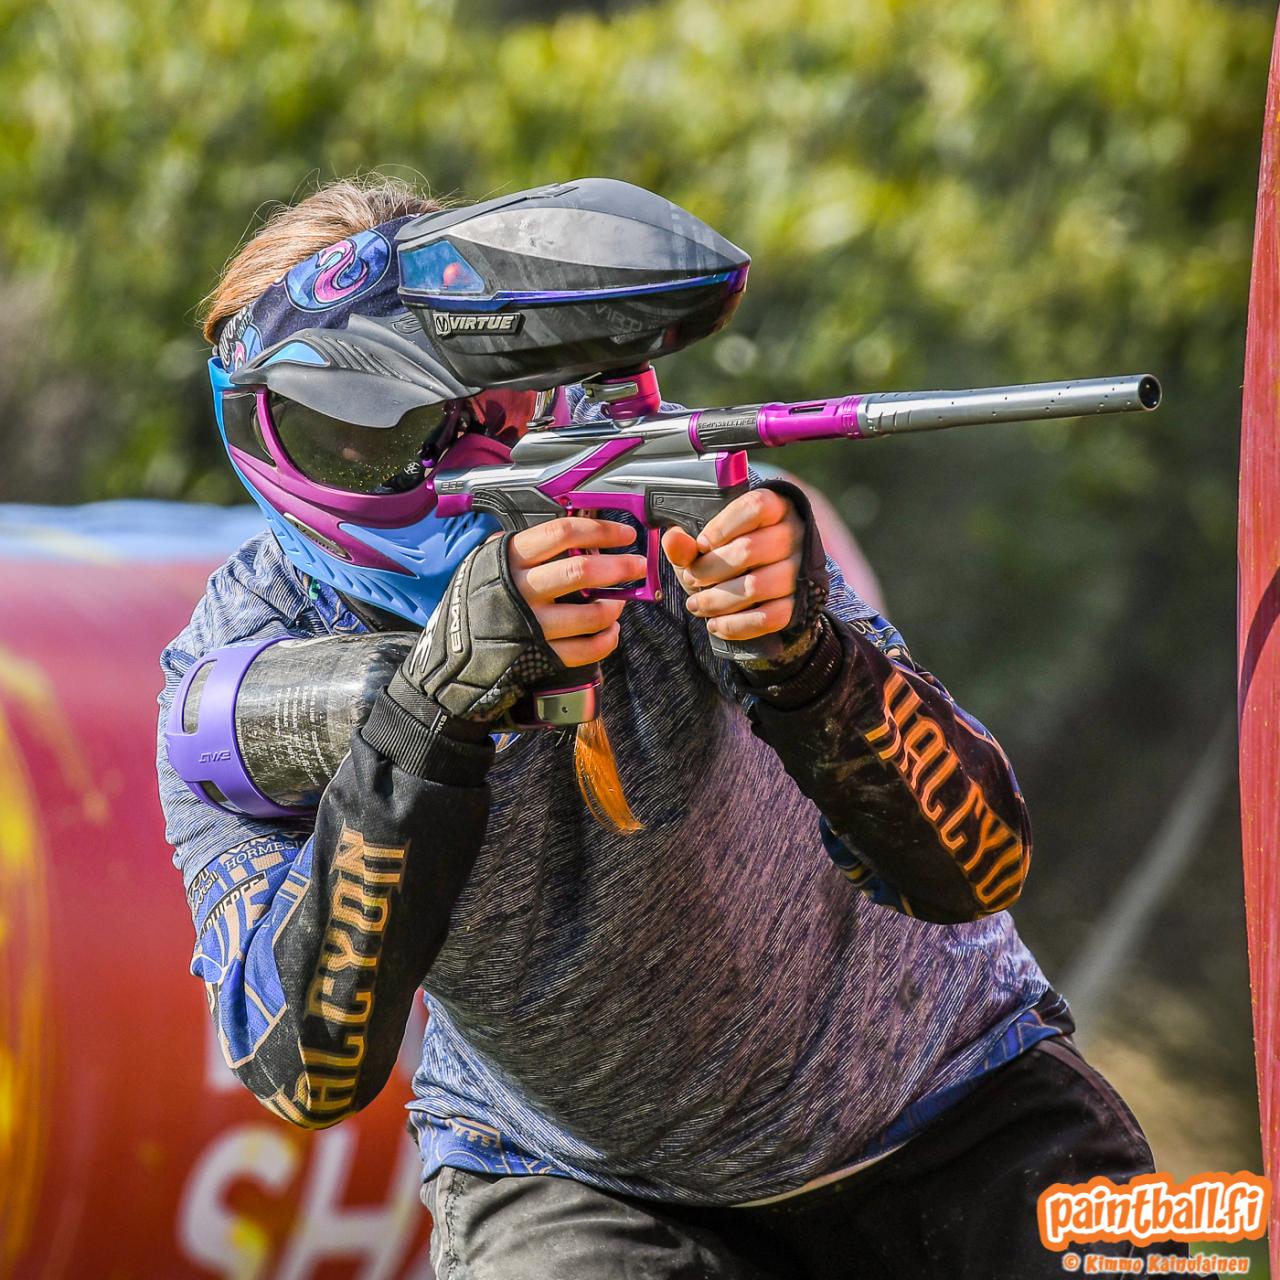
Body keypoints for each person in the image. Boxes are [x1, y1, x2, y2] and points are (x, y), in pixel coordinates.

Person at [157, 175, 1185, 1279]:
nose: (470, 450)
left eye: (490, 407)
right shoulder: (236, 673)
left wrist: (808, 661)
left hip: (948, 1099)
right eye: (386, 427)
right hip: (581, 1184)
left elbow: (977, 864)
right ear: (288, 440)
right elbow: (307, 1068)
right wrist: (428, 717)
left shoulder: (655, 502)